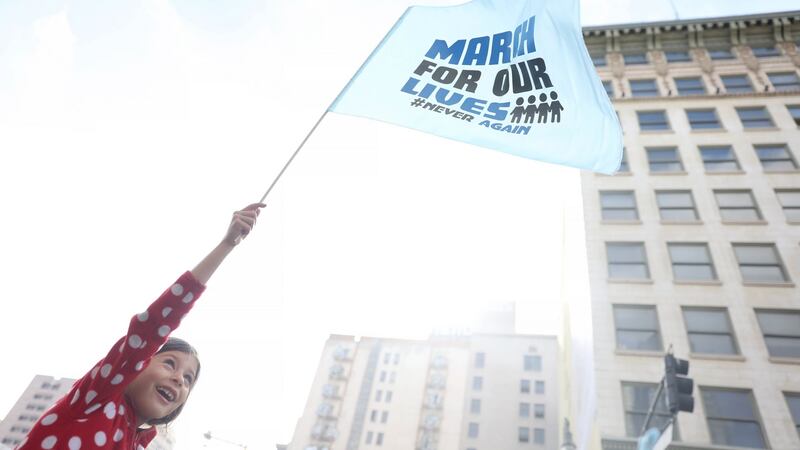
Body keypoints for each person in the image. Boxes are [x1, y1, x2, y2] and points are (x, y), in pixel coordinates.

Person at [16, 203, 265, 450]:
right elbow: (154, 326)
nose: (179, 379)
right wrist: (226, 246)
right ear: (138, 362)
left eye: (189, 379)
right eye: (170, 363)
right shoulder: (98, 399)